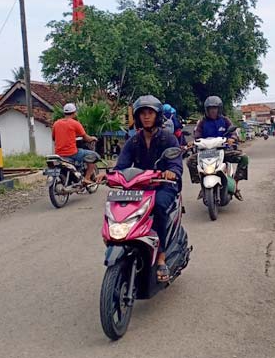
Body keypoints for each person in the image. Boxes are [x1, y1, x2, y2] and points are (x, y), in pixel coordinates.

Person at [114, 95, 182, 283]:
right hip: (141, 186)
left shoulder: (168, 139)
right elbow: (122, 165)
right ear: (137, 117)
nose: (146, 117)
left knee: (158, 206)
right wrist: (109, 175)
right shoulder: (133, 141)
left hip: (164, 186)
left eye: (150, 113)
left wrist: (171, 172)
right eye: (142, 113)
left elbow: (176, 163)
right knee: (122, 206)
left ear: (157, 115)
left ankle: (161, 257)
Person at [187, 96, 249, 200]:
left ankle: (236, 184)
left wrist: (232, 138)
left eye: (215, 108)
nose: (212, 111)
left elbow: (233, 132)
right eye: (210, 108)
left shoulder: (225, 120)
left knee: (244, 158)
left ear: (219, 109)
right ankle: (202, 185)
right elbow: (197, 135)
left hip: (224, 151)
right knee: (190, 161)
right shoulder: (202, 122)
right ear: (206, 110)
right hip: (205, 153)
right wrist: (192, 142)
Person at [52, 103, 99, 185]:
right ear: (74, 113)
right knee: (93, 156)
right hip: (72, 153)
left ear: (64, 113)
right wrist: (93, 138)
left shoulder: (56, 123)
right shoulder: (75, 123)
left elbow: (53, 138)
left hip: (59, 154)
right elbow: (86, 138)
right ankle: (87, 178)